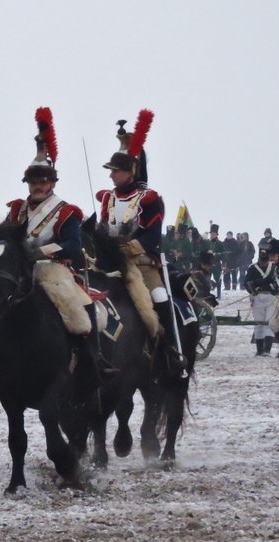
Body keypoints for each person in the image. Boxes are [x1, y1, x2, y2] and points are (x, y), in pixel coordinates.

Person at [0, 107, 110, 401]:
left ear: (52, 184)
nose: (38, 186)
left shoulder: (65, 211)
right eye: (33, 182)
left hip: (53, 270)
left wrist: (41, 250)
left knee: (80, 312)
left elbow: (72, 246)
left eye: (43, 182)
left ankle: (95, 362)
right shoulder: (16, 210)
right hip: (19, 272)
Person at [97, 110, 184, 372]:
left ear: (130, 172)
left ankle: (170, 348)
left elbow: (152, 235)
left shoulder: (148, 198)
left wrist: (130, 247)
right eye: (111, 171)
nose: (111, 176)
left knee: (158, 297)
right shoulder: (108, 198)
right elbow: (103, 227)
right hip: (109, 261)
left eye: (116, 171)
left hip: (142, 262)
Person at [244, 245, 277, 355]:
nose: (264, 263)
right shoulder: (253, 268)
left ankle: (267, 350)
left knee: (269, 323)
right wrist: (251, 292)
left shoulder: (274, 268)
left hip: (271, 298)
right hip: (258, 298)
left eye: (265, 260)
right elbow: (246, 283)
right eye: (262, 260)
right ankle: (259, 350)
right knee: (259, 323)